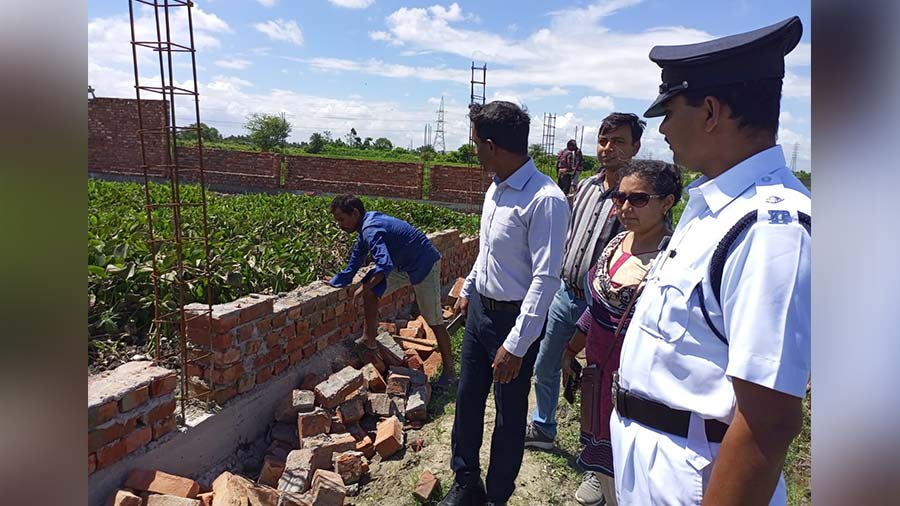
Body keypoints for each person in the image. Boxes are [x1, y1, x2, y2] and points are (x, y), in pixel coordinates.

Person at [609, 17, 811, 505]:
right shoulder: (716, 208)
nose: (662, 128)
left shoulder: (769, 227)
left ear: (711, 112)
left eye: (670, 110)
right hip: (659, 464)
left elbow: (768, 421)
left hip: (695, 479)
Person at [438, 101, 569, 506]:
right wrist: (468, 289)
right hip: (480, 311)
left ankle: (496, 497)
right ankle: (466, 482)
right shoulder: (497, 187)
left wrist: (515, 345)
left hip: (515, 321)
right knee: (467, 399)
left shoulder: (545, 200)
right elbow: (489, 251)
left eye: (476, 143)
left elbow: (546, 279)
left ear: (492, 146)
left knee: (510, 415)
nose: (473, 151)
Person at [525, 112, 646, 463]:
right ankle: (544, 427)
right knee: (547, 362)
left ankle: (597, 450)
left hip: (604, 307)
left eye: (619, 141)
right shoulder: (588, 188)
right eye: (604, 140)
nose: (608, 149)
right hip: (567, 295)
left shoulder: (638, 197)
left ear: (635, 146)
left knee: (600, 379)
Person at [560, 160, 682, 506]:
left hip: (640, 389)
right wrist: (571, 350)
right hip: (600, 380)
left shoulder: (671, 259)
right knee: (605, 464)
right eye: (619, 197)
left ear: (667, 203)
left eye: (639, 199)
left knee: (635, 477)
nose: (626, 207)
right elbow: (597, 310)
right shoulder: (616, 245)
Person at [326, 194, 456, 386]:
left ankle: (450, 372)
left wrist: (362, 288)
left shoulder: (370, 228)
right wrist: (338, 281)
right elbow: (356, 258)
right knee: (371, 289)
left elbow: (384, 265)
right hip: (403, 265)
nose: (340, 225)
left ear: (354, 213)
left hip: (424, 265)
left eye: (342, 220)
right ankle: (369, 339)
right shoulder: (365, 227)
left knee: (433, 319)